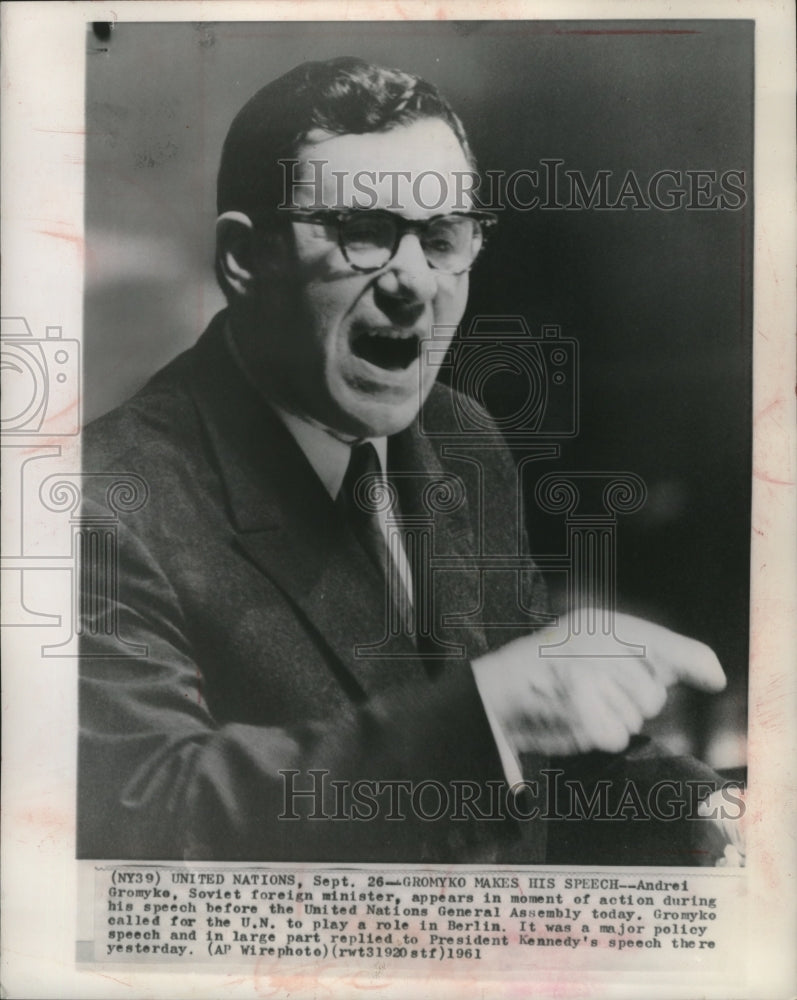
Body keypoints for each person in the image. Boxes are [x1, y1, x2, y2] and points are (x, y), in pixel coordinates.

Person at [78, 57, 737, 865]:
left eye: (441, 238)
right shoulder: (102, 501)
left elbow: (543, 755)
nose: (413, 284)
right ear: (246, 260)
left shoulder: (461, 441)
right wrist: (490, 715)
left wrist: (704, 813)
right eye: (361, 232)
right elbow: (144, 817)